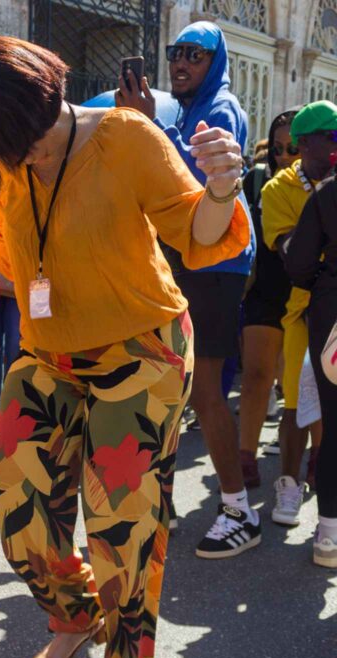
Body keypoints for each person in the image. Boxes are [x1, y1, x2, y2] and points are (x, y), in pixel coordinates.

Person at [0, 36, 249, 658]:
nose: (22, 160)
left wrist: (224, 188)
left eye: (25, 143)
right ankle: (76, 615)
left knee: (122, 526)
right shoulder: (9, 157)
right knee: (16, 505)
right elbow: (22, 250)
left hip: (143, 351)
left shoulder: (125, 136)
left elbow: (197, 230)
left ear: (44, 101)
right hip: (50, 356)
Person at [118, 21, 257, 558]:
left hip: (218, 264)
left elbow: (202, 183)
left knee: (204, 389)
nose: (181, 63)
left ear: (215, 62)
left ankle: (239, 511)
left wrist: (152, 127)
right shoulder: (189, 109)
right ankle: (163, 503)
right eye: (176, 52)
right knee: (169, 384)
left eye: (195, 55)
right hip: (188, 258)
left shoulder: (220, 109)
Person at [260, 101, 336, 525]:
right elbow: (289, 251)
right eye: (334, 137)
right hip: (302, 313)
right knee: (295, 404)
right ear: (306, 143)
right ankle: (288, 485)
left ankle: (325, 489)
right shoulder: (278, 190)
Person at [285, 111, 337, 567]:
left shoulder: (327, 196)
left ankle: (328, 535)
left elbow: (298, 264)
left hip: (332, 317)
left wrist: (326, 278)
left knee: (334, 425)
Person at [236, 111, 298, 488]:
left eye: (292, 147)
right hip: (264, 289)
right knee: (257, 375)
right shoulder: (257, 179)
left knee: (297, 384)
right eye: (277, 148)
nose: (284, 156)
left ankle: (305, 463)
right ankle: (246, 458)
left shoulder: (325, 186)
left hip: (309, 295)